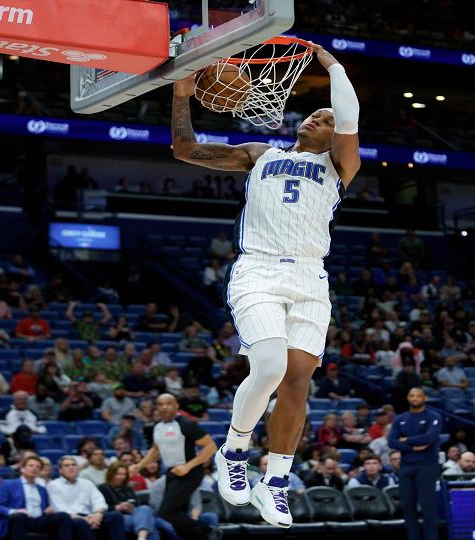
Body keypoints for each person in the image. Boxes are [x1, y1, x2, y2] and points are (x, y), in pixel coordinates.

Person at [172, 43, 361, 529]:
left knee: (298, 381)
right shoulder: (260, 154)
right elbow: (185, 150)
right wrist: (181, 93)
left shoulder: (340, 167)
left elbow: (348, 114)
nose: (316, 119)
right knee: (272, 364)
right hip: (258, 269)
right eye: (313, 114)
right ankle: (235, 450)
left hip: (309, 278)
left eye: (324, 117)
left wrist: (333, 66)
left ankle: (274, 482)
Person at [130, 394, 217, 539]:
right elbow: (156, 451)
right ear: (156, 407)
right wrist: (139, 466)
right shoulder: (157, 427)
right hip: (173, 472)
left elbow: (210, 447)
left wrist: (188, 466)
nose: (164, 407)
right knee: (176, 516)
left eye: (168, 403)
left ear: (176, 405)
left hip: (190, 472)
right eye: (160, 404)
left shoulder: (185, 424)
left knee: (166, 512)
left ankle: (208, 531)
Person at [388, 388, 442, 540]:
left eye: (419, 395)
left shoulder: (433, 416)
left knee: (427, 507)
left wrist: (405, 440)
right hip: (406, 466)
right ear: (407, 397)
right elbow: (392, 442)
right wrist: (413, 446)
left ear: (425, 398)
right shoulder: (400, 418)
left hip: (427, 465)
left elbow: (428, 439)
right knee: (408, 509)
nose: (415, 398)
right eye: (412, 395)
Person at [0, 455, 72, 540]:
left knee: (63, 516)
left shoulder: (42, 489)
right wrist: (15, 511)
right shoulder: (8, 484)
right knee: (19, 517)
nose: (34, 468)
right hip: (20, 519)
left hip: (38, 520)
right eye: (31, 466)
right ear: (22, 469)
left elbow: (44, 509)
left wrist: (48, 510)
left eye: (38, 467)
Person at [47, 457, 124, 540]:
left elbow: (98, 500)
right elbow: (59, 508)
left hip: (91, 515)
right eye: (66, 465)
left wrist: (99, 514)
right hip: (71, 518)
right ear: (60, 470)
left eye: (74, 465)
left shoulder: (87, 483)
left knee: (116, 515)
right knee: (79, 522)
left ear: (78, 468)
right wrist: (84, 518)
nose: (71, 467)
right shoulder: (53, 485)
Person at [98, 463, 163, 540]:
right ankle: (142, 537)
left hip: (135, 514)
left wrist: (132, 507)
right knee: (150, 522)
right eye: (118, 474)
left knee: (145, 508)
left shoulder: (128, 488)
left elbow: (138, 504)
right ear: (111, 474)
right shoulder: (102, 488)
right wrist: (118, 507)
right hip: (118, 517)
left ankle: (141, 537)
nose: (122, 477)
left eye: (124, 474)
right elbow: (99, 507)